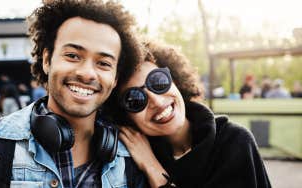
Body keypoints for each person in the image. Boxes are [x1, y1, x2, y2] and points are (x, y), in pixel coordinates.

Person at [0, 0, 144, 187]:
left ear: (115, 78)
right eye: (73, 56)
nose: (87, 73)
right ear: (47, 60)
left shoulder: (133, 159)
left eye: (103, 63)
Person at [111, 42, 271, 187]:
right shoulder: (127, 159)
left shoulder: (234, 141)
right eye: (134, 99)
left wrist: (153, 170)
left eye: (158, 81)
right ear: (125, 116)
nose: (158, 102)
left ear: (175, 81)